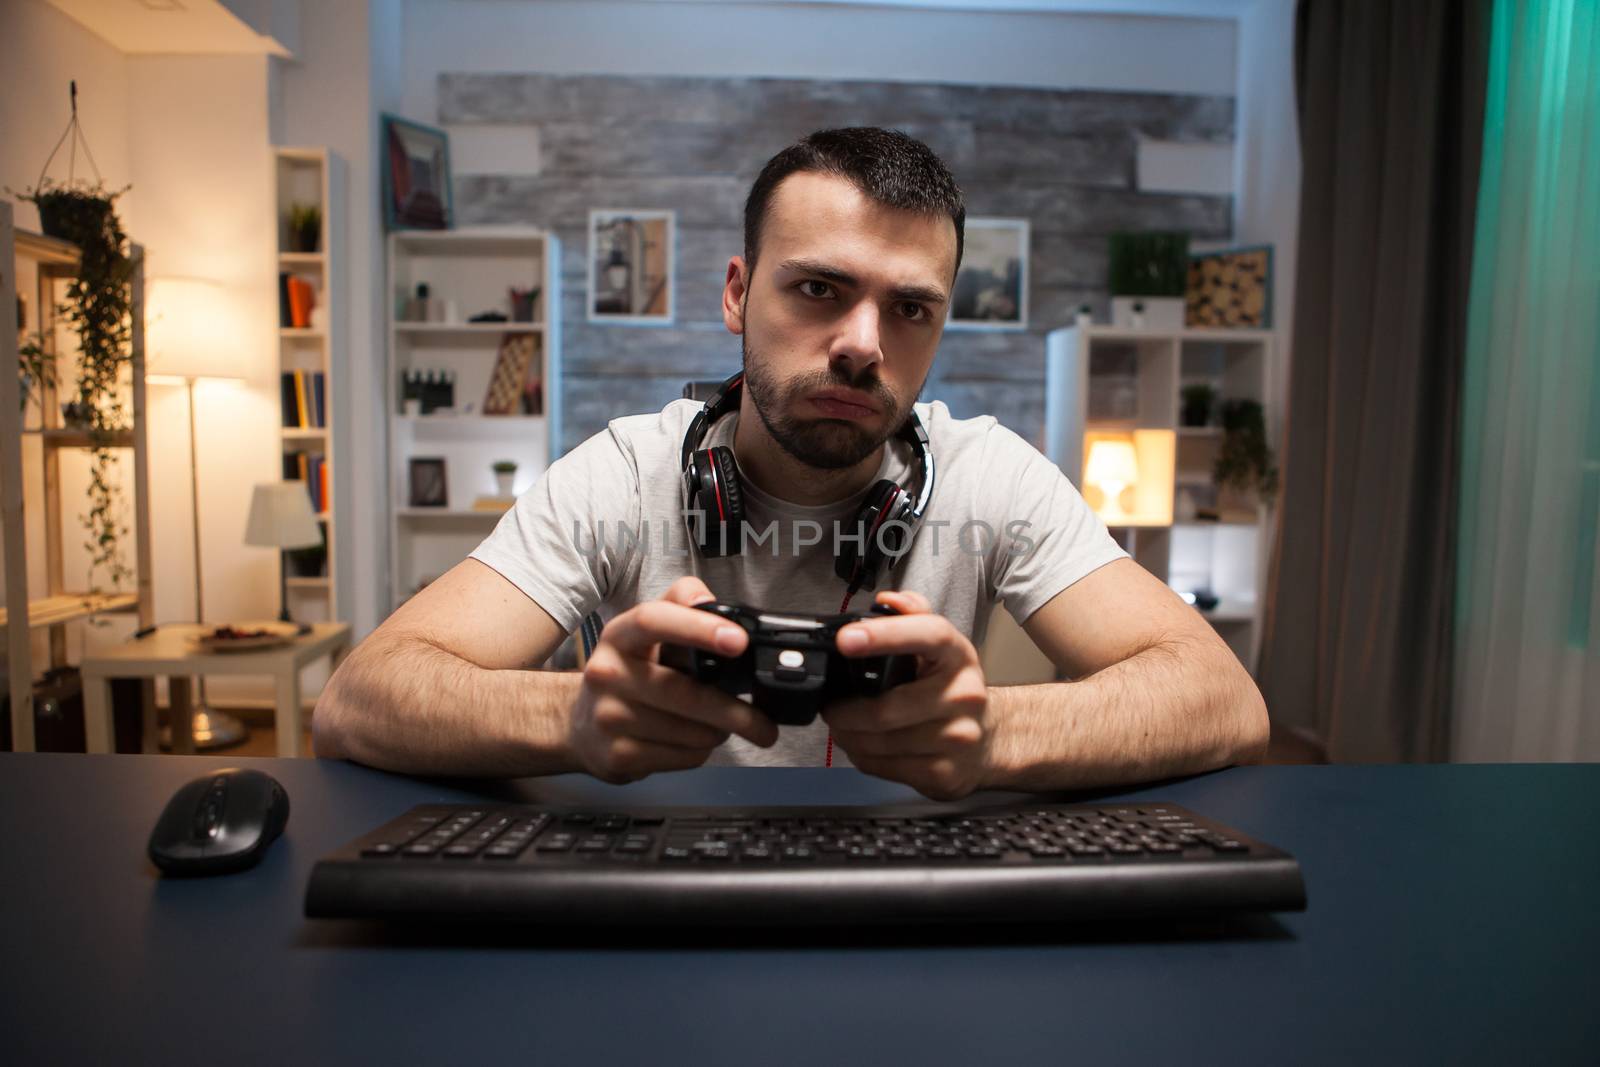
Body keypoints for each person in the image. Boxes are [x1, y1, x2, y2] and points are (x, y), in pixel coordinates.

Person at [314, 127, 1268, 799]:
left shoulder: (993, 475)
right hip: (650, 912)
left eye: (910, 308)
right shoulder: (622, 470)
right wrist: (569, 719)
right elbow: (359, 700)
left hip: (907, 913)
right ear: (737, 294)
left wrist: (996, 734)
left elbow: (1223, 699)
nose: (862, 342)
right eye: (819, 287)